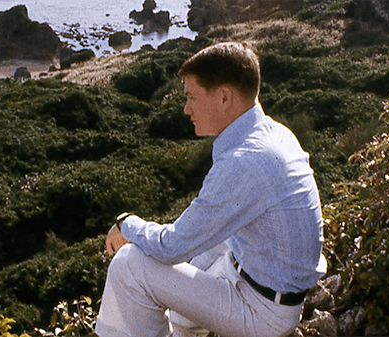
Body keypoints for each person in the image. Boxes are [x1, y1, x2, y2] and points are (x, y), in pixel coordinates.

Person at [94, 42, 327, 337]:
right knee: (181, 298)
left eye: (191, 97)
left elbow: (171, 247)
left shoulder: (244, 162)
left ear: (224, 97)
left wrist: (127, 224)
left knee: (130, 265)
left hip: (264, 313)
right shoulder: (274, 134)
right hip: (262, 281)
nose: (186, 109)